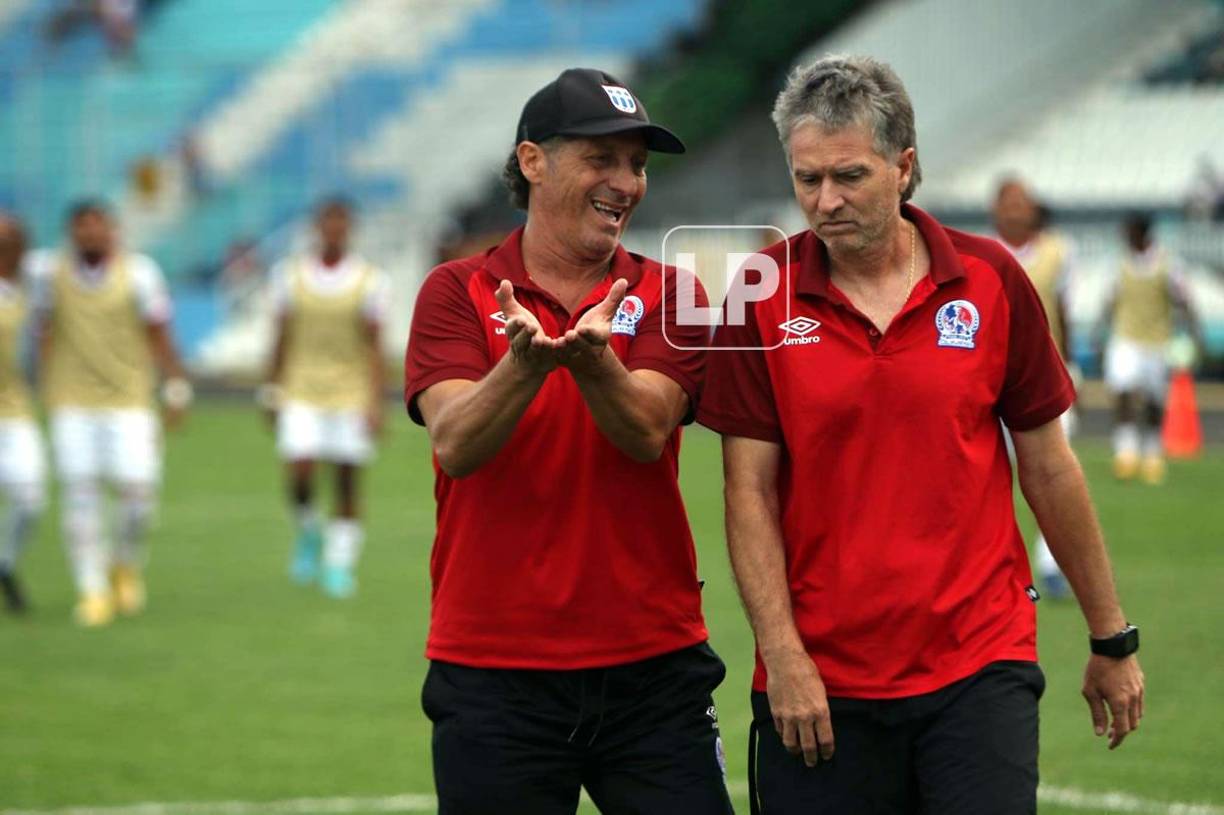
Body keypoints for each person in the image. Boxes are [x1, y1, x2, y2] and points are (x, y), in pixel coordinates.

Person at [698, 56, 1145, 814]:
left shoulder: (992, 278)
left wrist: (1110, 637)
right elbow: (748, 490)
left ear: (905, 167)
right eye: (807, 179)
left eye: (849, 176)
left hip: (980, 662)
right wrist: (783, 656)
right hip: (822, 676)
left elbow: (1049, 466)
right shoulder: (759, 296)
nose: (825, 201)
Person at [404, 68, 732, 815]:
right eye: (602, 159)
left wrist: (591, 360)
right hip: (493, 670)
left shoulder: (672, 294)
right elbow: (455, 441)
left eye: (638, 165)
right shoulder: (455, 291)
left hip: (653, 667)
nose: (626, 182)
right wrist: (524, 366)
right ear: (532, 161)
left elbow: (647, 429)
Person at [32, 199, 191, 627]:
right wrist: (46, 384)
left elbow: (160, 334)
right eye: (81, 227)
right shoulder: (50, 274)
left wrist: (175, 386)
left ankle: (125, 563)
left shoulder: (139, 274)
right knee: (80, 495)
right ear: (71, 232)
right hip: (72, 403)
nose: (90, 234)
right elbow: (44, 329)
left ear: (112, 231)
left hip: (129, 400)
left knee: (138, 493)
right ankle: (92, 589)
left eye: (97, 226)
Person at [260, 198, 388, 598]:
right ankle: (308, 530)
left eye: (341, 223)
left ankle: (339, 564)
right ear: (316, 228)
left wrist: (375, 400)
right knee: (299, 470)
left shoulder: (370, 281)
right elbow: (280, 336)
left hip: (350, 392)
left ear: (350, 229)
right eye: (327, 223)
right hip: (301, 388)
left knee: (347, 481)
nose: (334, 230)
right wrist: (271, 387)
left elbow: (374, 346)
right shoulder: (289, 276)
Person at [993, 178, 1077, 598]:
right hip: (992, 386)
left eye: (1022, 202)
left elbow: (1064, 310)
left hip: (1046, 379)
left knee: (1054, 471)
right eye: (1008, 202)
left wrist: (1071, 362)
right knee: (993, 479)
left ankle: (1050, 564)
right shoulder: (980, 257)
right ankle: (999, 566)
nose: (1015, 210)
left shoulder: (1057, 253)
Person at [1101, 213, 1203, 484]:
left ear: (1141, 233)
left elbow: (1184, 299)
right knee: (1122, 390)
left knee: (1153, 400)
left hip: (1157, 341)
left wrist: (1194, 332)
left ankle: (1152, 452)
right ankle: (1126, 451)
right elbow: (1110, 299)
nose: (1125, 237)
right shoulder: (1119, 262)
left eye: (1129, 232)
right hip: (1125, 338)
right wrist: (1099, 330)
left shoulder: (1168, 263)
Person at [0, 213, 46, 613]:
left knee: (31, 498)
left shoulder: (34, 286)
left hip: (15, 411)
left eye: (11, 237)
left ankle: (6, 562)